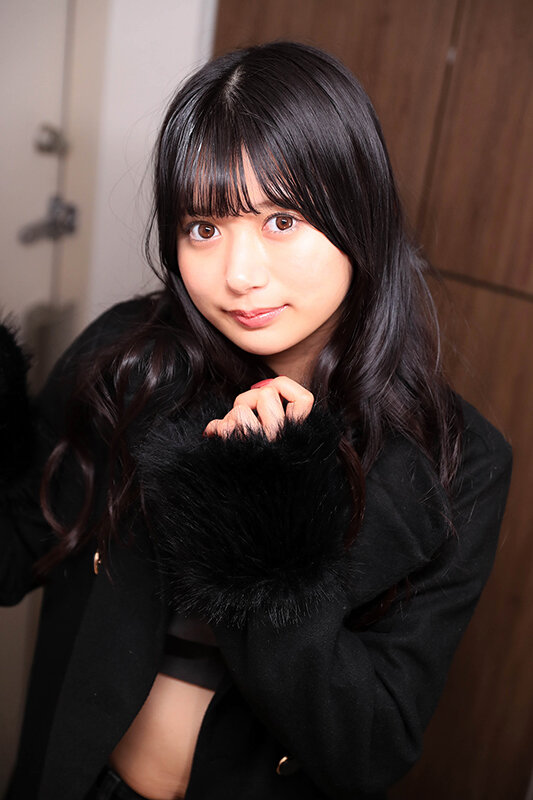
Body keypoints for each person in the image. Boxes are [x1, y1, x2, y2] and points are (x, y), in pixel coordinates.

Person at [0, 41, 512, 800]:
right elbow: (12, 552)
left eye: (281, 219)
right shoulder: (132, 363)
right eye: (204, 229)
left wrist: (262, 522)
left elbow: (369, 749)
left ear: (359, 215)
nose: (238, 275)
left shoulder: (454, 461)